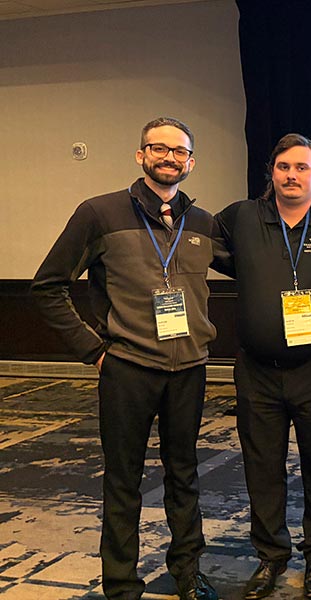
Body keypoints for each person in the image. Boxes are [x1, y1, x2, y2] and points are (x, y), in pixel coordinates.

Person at [31, 117, 223, 600]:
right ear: (140, 155)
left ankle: (187, 573)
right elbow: (48, 286)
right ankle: (120, 584)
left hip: (189, 369)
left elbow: (260, 261)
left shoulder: (201, 223)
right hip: (127, 369)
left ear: (191, 162)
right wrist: (94, 350)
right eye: (158, 149)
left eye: (179, 152)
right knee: (124, 480)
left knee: (185, 476)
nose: (169, 158)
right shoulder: (99, 213)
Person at [215, 134, 311, 599]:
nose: (291, 175)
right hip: (256, 370)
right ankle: (271, 556)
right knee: (262, 466)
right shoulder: (239, 218)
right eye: (282, 167)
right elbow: (187, 245)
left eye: (301, 167)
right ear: (271, 173)